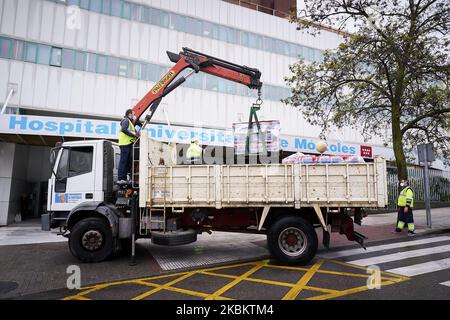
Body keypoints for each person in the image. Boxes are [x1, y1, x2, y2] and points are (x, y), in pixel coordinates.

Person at [118, 109, 139, 183]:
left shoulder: (130, 122)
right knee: (123, 161)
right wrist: (134, 135)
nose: (134, 115)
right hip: (124, 144)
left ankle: (125, 178)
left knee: (128, 162)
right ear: (130, 114)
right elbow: (124, 129)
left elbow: (136, 129)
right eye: (134, 114)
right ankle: (121, 178)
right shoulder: (126, 120)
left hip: (128, 144)